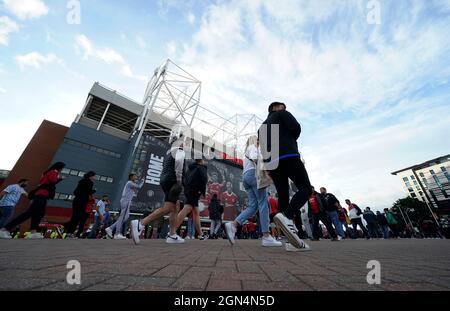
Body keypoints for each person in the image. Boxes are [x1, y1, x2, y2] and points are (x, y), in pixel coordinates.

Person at [258, 102, 311, 250]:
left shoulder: (261, 127)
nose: (285, 109)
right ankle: (286, 216)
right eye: (282, 106)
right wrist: (290, 138)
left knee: (283, 195)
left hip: (272, 162)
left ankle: (290, 241)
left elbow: (262, 148)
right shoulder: (282, 114)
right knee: (305, 188)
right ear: (275, 108)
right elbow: (296, 128)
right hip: (288, 154)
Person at [225, 135, 281, 247]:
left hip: (246, 177)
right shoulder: (252, 147)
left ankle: (234, 224)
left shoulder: (247, 150)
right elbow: (255, 157)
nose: (259, 141)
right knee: (263, 203)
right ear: (254, 140)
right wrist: (268, 171)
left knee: (253, 206)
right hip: (254, 175)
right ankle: (266, 236)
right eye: (258, 140)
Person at [129, 139, 186, 244]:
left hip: (165, 180)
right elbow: (179, 168)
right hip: (172, 181)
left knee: (175, 207)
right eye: (183, 142)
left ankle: (172, 235)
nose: (185, 144)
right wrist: (179, 182)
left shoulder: (169, 153)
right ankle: (141, 223)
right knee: (168, 207)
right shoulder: (180, 152)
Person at [0, 162, 65, 239]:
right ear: (59, 167)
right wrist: (60, 178)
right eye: (62, 168)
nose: (62, 170)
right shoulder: (53, 172)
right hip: (42, 195)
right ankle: (5, 229)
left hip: (42, 195)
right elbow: (53, 181)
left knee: (38, 214)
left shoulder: (47, 173)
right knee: (29, 213)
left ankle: (33, 232)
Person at [173, 157, 208, 240]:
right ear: (201, 161)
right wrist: (201, 191)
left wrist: (187, 189)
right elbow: (204, 180)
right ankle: (172, 231)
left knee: (196, 212)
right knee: (187, 209)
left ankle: (200, 234)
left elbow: (184, 179)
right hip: (195, 191)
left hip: (189, 191)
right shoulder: (201, 168)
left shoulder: (190, 169)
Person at [106, 173, 144, 239]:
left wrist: (140, 180)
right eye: (135, 176)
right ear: (131, 177)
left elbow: (137, 183)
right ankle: (117, 233)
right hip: (125, 200)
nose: (136, 177)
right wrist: (142, 181)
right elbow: (139, 187)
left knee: (126, 217)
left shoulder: (131, 183)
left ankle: (110, 228)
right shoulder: (129, 183)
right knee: (122, 217)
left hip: (127, 201)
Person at [63, 171, 96, 238]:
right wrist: (93, 191)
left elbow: (75, 191)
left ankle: (68, 230)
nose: (94, 178)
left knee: (74, 216)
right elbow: (87, 192)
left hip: (76, 200)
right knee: (78, 218)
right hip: (82, 201)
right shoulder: (90, 183)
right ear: (91, 176)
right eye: (94, 176)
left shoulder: (81, 181)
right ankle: (69, 230)